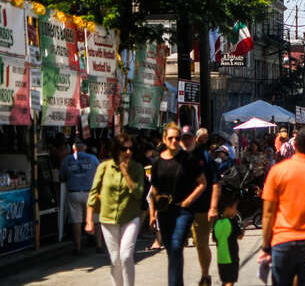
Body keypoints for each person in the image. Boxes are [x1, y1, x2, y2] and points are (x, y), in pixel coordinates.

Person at [261, 126, 305, 286]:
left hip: (282, 242)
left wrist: (265, 247)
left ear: (294, 145)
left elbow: (268, 213)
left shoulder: (277, 171)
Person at [150, 122, 207, 286]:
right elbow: (154, 190)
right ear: (164, 139)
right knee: (172, 251)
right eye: (171, 138)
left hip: (183, 211)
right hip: (164, 212)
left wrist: (188, 201)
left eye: (177, 138)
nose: (174, 141)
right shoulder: (157, 163)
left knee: (176, 246)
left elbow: (202, 183)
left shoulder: (188, 160)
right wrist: (153, 214)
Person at [86, 133, 146, 286]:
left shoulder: (137, 168)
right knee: (115, 260)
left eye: (131, 149)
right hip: (108, 218)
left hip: (130, 217)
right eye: (124, 149)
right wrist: (89, 220)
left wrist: (126, 173)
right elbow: (93, 193)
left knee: (126, 256)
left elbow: (139, 193)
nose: (128, 152)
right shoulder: (104, 167)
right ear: (116, 150)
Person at [179, 126, 220, 286]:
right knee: (177, 245)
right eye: (183, 138)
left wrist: (213, 206)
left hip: (202, 208)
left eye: (189, 138)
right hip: (180, 209)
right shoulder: (176, 156)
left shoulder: (205, 156)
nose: (186, 141)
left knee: (201, 244)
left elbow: (216, 182)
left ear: (193, 138)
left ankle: (205, 275)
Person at [61, 139, 101, 255]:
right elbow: (100, 174)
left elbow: (62, 176)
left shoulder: (67, 160)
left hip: (74, 193)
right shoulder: (93, 159)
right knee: (96, 220)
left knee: (76, 221)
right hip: (91, 193)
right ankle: (99, 245)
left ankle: (78, 248)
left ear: (73, 148)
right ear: (84, 148)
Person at [213, 192, 244, 286]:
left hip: (221, 258)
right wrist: (243, 229)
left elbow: (214, 239)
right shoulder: (232, 222)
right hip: (232, 257)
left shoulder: (216, 223)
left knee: (225, 281)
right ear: (228, 208)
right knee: (230, 281)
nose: (236, 210)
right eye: (235, 208)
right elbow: (240, 236)